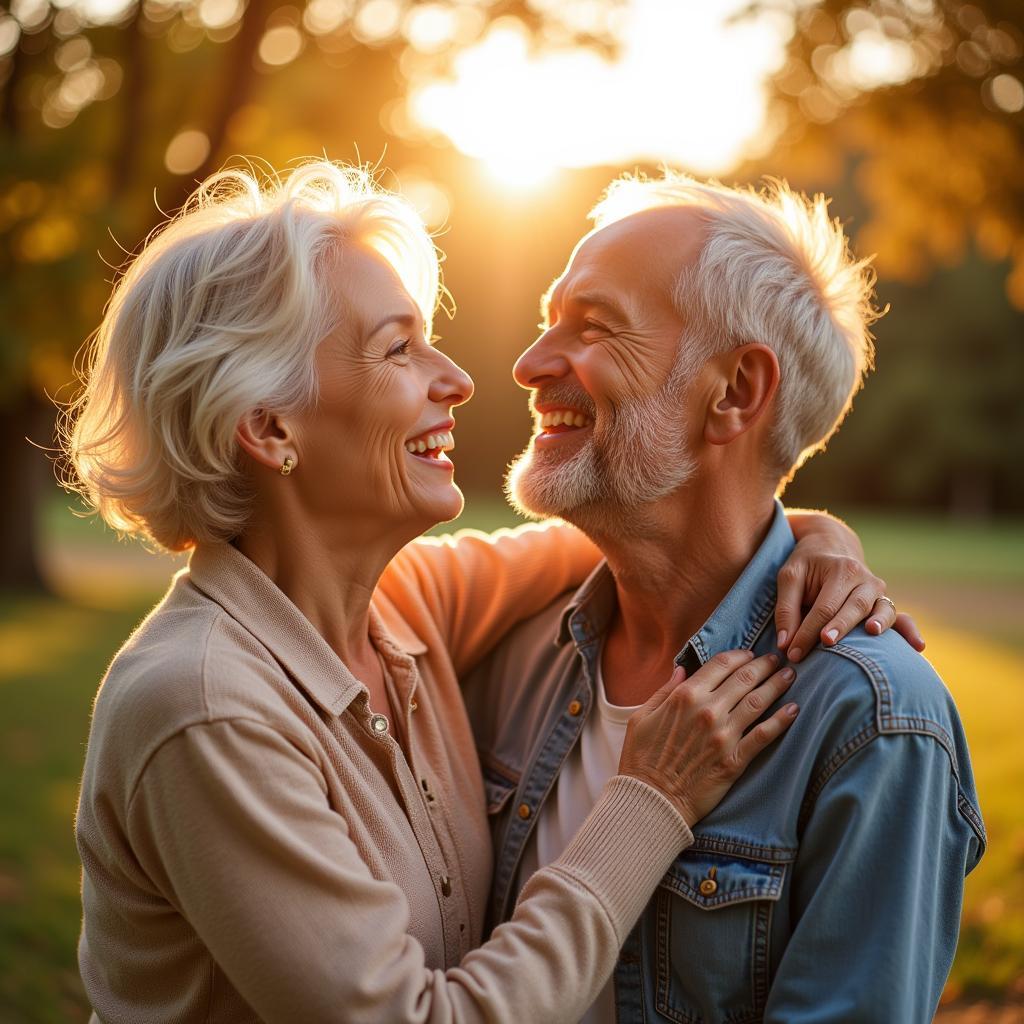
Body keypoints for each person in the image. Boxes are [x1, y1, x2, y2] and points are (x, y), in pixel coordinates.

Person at [67, 161, 913, 1024]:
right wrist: (648, 801)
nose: (462, 380)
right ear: (270, 427)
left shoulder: (409, 608)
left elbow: (678, 527)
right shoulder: (207, 706)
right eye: (399, 348)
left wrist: (816, 537)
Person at [465, 173, 986, 1023]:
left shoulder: (871, 722)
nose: (529, 365)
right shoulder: (508, 647)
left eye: (593, 326)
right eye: (545, 320)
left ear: (736, 391)